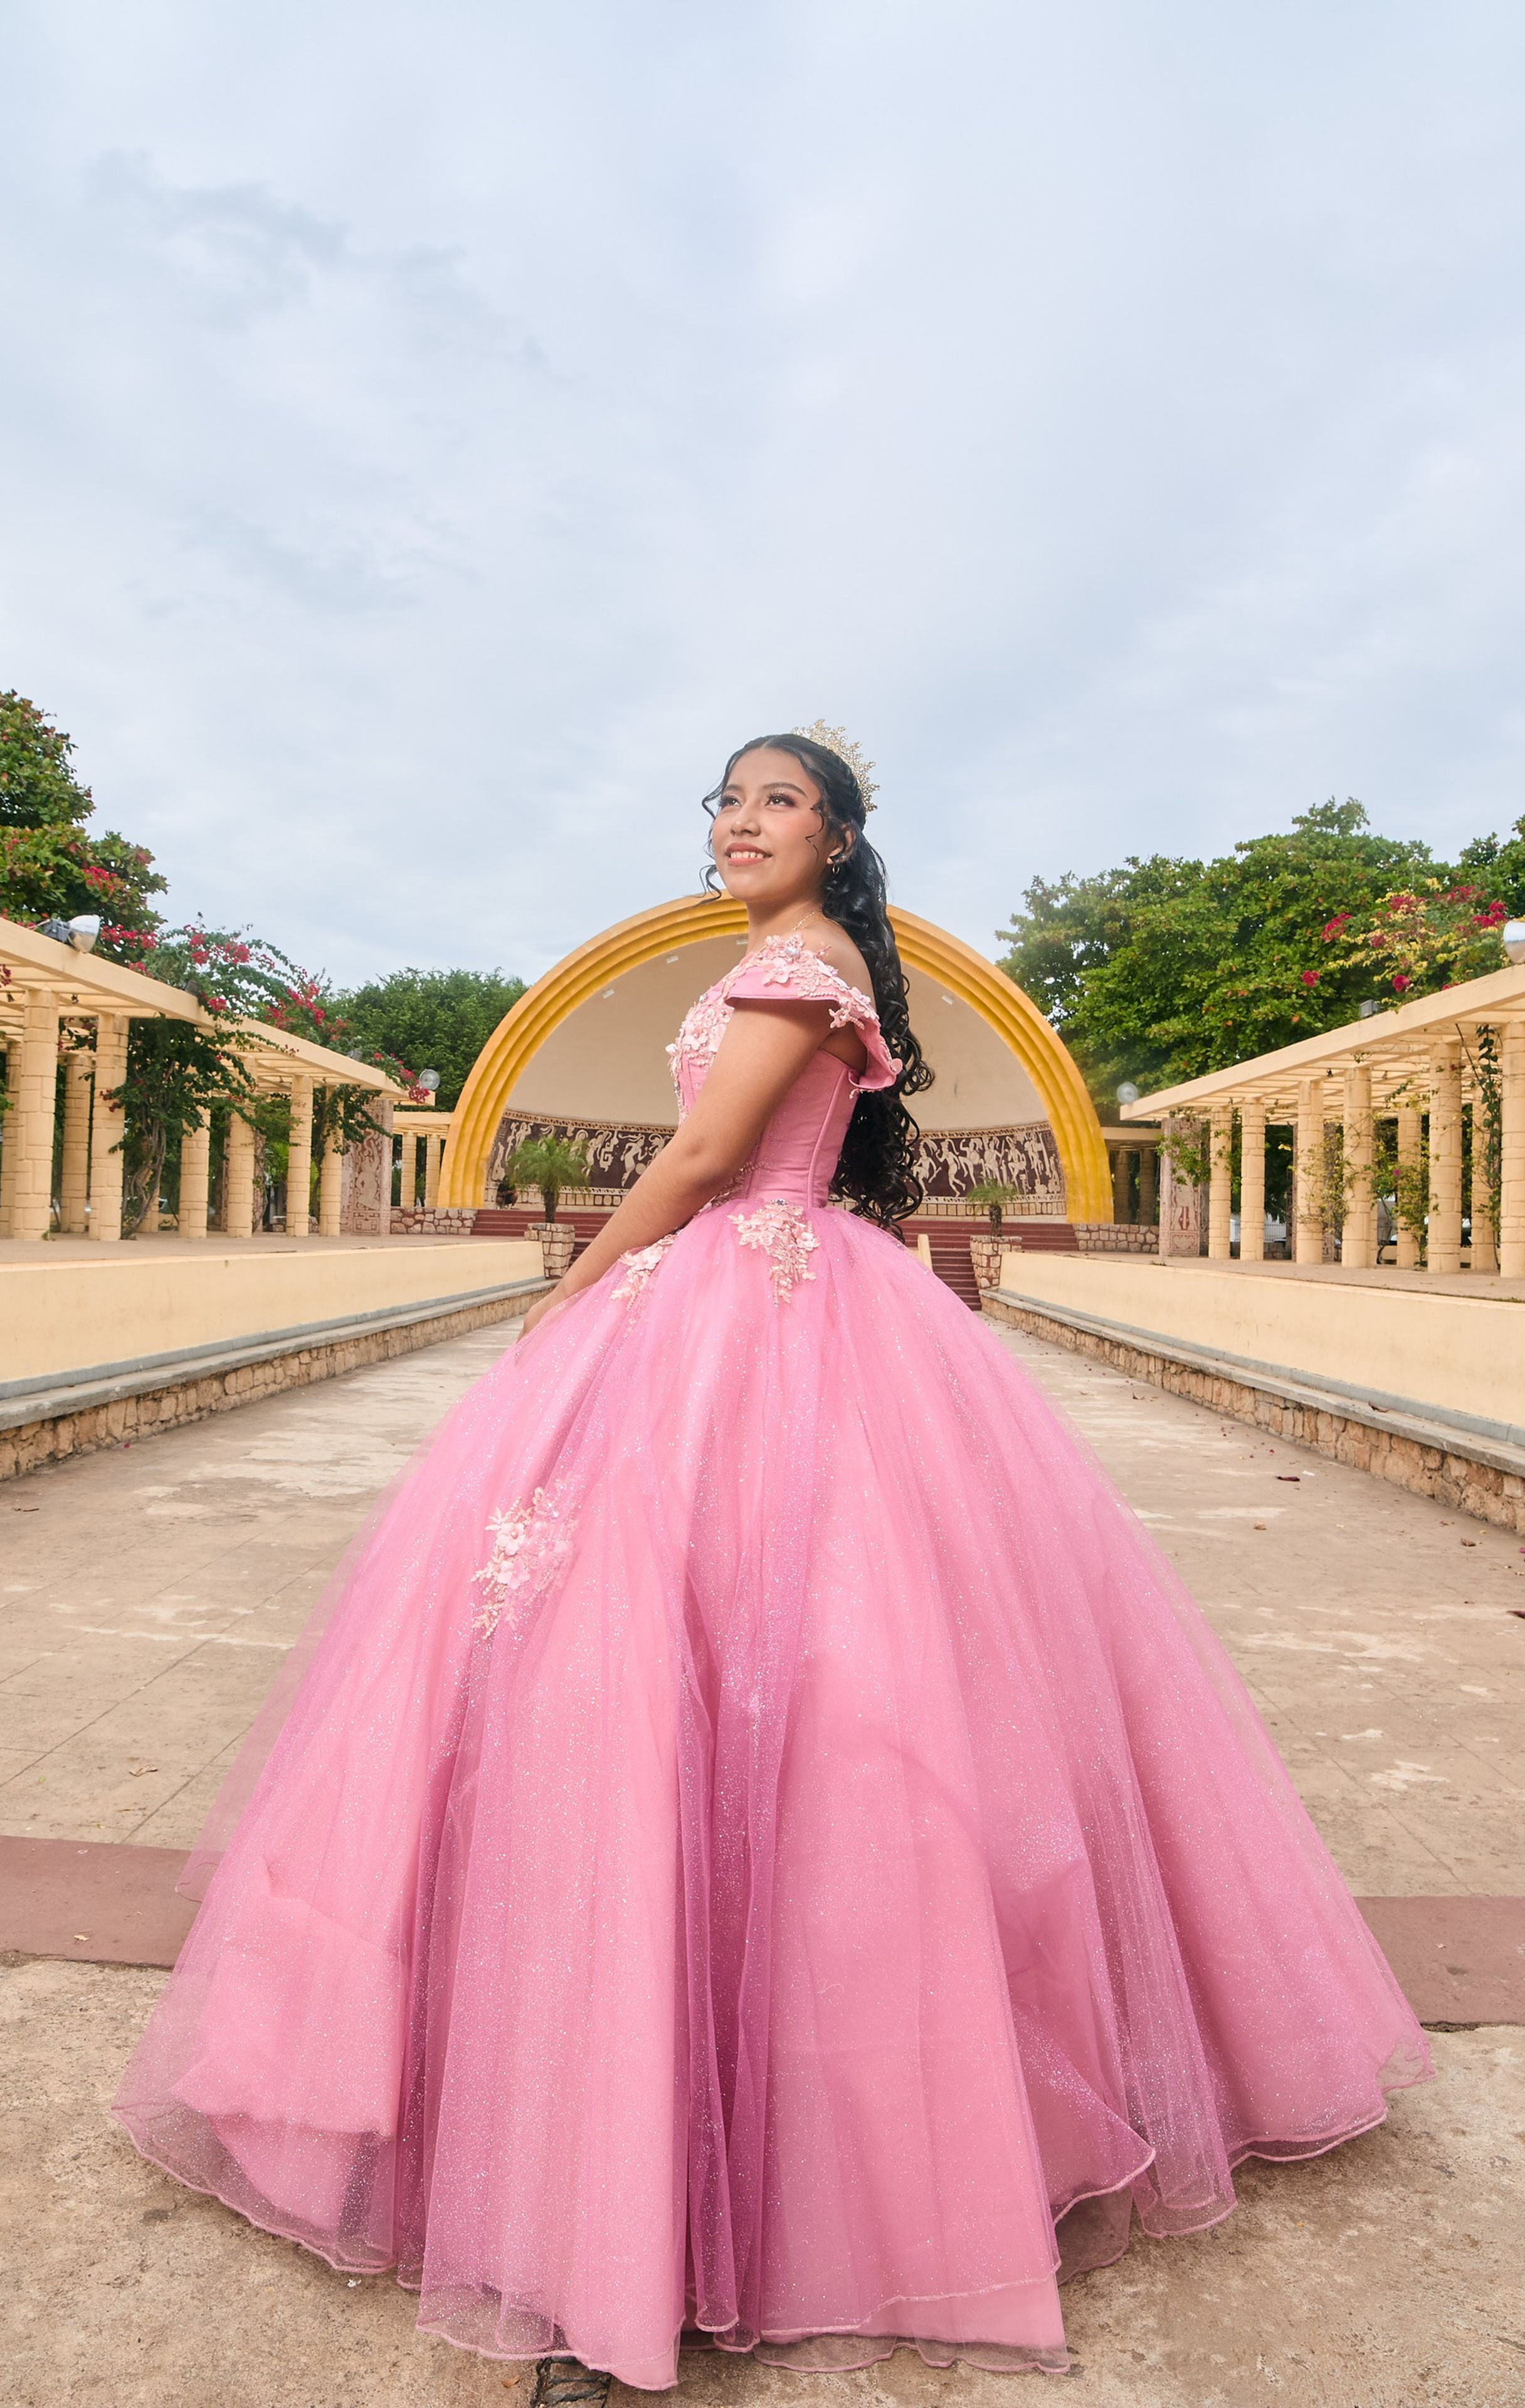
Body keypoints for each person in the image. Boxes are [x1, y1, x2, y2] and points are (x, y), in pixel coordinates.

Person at [114, 726, 1430, 2390]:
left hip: (755, 1316)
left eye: (779, 800)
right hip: (756, 1311)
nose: (743, 822)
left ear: (839, 836)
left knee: (784, 1686)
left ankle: (742, 2161)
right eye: (729, 799)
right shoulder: (776, 954)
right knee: (644, 1665)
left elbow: (707, 1157)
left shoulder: (803, 962)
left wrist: (572, 1292)